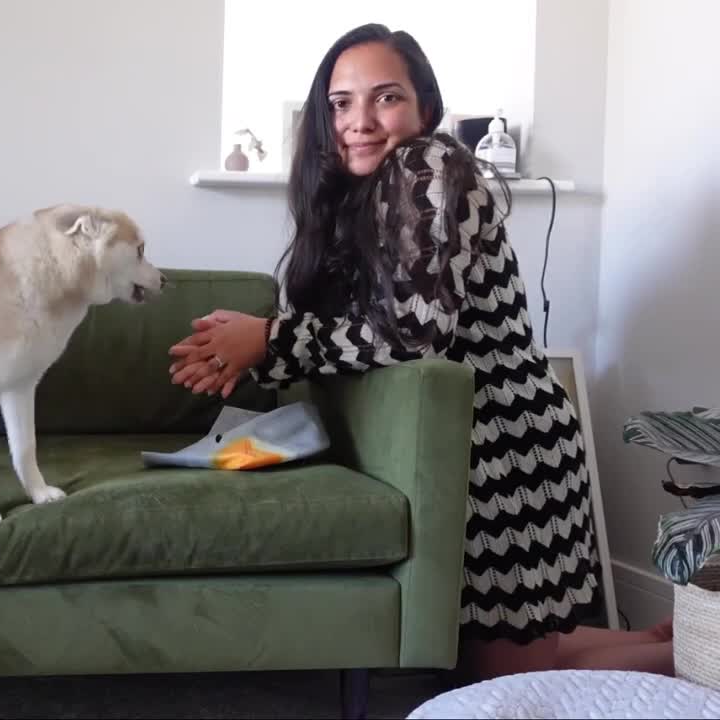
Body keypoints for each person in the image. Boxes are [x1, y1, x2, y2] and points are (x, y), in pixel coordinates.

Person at [167, 23, 674, 680]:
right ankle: (676, 646)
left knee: (504, 682)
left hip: (505, 450)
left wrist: (267, 340)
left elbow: (413, 334)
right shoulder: (357, 199)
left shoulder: (427, 166)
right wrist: (251, 346)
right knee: (495, 659)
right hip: (466, 446)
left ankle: (685, 665)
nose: (360, 121)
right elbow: (357, 337)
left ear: (425, 109)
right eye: (341, 103)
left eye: (386, 98)